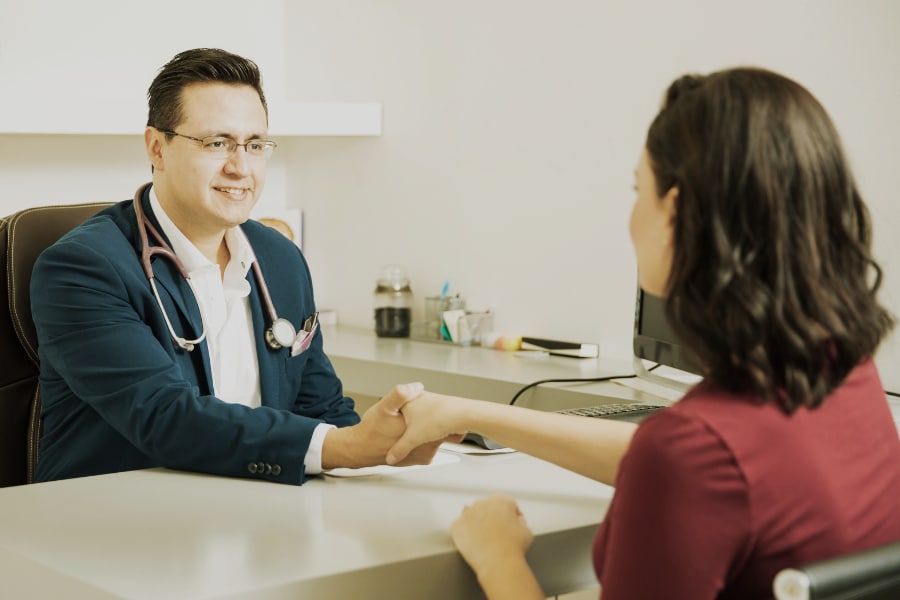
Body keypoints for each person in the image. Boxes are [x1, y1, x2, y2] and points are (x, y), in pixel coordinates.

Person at [387, 67, 900, 598]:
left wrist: (499, 558)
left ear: (675, 213)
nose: (632, 213)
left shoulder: (692, 454)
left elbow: (680, 463)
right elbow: (684, 464)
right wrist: (470, 412)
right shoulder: (842, 369)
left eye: (640, 189)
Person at [31, 48, 442, 485]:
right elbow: (164, 417)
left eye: (255, 144)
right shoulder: (82, 268)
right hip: (115, 523)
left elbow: (320, 407)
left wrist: (385, 443)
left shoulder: (280, 259)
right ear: (157, 147)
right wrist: (344, 448)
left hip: (254, 508)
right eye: (217, 143)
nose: (240, 167)